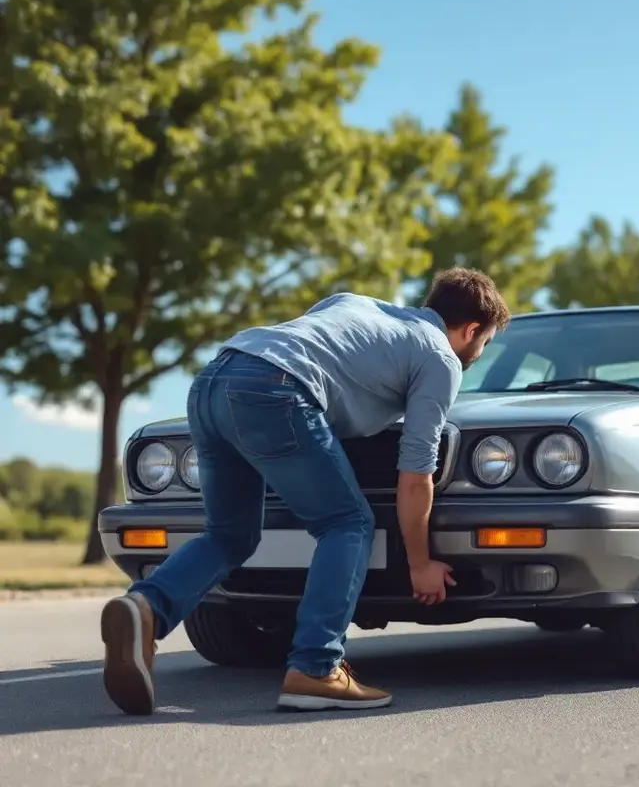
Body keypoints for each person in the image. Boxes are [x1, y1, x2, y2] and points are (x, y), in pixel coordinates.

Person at [99, 267, 510, 715]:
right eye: (484, 344)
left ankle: (146, 606)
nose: (477, 354)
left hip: (214, 380)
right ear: (472, 330)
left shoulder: (353, 302)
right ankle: (316, 668)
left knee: (230, 535)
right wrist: (420, 564)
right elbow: (415, 476)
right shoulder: (441, 358)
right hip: (275, 391)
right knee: (348, 524)